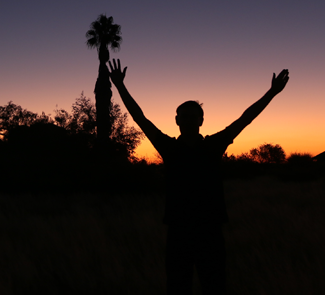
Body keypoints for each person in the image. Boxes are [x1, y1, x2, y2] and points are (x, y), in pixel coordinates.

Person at [107, 59, 289, 295]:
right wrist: (120, 87)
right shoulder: (168, 147)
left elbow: (246, 118)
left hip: (210, 231)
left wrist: (272, 93)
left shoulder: (214, 145)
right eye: (185, 116)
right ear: (177, 121)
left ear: (201, 121)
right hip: (178, 231)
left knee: (214, 286)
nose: (190, 120)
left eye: (194, 117)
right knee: (177, 286)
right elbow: (140, 118)